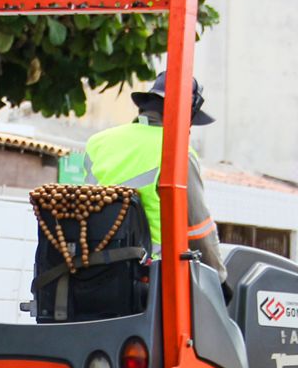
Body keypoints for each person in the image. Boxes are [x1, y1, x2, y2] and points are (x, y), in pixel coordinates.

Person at [84, 73, 226, 281]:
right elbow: (197, 229)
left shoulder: (97, 143)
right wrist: (219, 279)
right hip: (153, 279)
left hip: (98, 273)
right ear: (186, 114)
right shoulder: (178, 153)